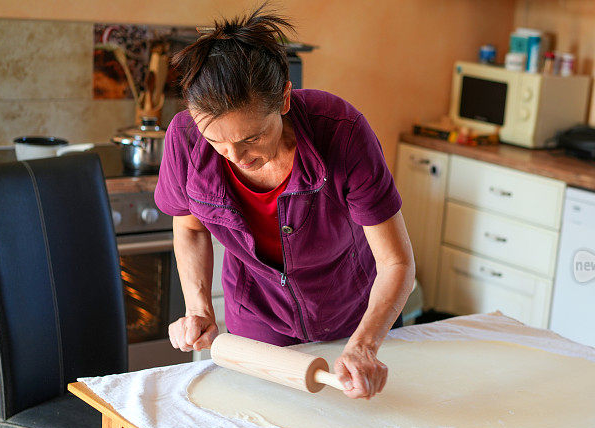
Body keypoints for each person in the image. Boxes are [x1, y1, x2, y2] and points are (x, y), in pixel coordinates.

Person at [154, 7, 414, 400]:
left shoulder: (342, 134)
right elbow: (189, 228)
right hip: (256, 319)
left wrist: (364, 346)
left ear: (285, 99)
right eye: (216, 143)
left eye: (252, 138)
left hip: (350, 320)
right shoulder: (185, 139)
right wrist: (199, 308)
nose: (235, 157)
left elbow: (397, 263)